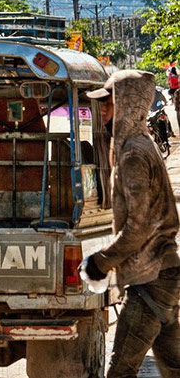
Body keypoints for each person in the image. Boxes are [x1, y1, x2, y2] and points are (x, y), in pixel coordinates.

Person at [83, 70, 180, 378]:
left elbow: (138, 228)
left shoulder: (133, 155)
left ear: (127, 104)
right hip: (161, 275)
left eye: (109, 104)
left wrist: (101, 262)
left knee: (121, 371)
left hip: (150, 277)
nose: (103, 112)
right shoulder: (138, 145)